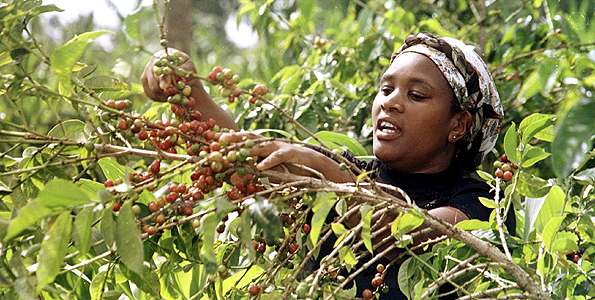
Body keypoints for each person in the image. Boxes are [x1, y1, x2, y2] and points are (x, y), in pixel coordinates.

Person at [142, 32, 515, 299]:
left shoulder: (485, 203)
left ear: (458, 126)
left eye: (416, 95)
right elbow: (241, 164)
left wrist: (320, 168)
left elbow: (400, 231)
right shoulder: (350, 170)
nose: (390, 103)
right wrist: (187, 88)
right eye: (386, 89)